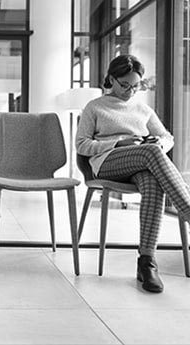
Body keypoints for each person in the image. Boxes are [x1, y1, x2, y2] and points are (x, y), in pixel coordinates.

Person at [76, 54, 190, 293]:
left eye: (135, 86)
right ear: (111, 79)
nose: (129, 91)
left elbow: (168, 138)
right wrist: (118, 143)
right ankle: (188, 209)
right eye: (124, 85)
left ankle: (146, 262)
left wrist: (158, 143)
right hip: (107, 162)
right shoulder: (95, 107)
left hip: (142, 162)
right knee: (150, 154)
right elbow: (82, 145)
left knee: (153, 182)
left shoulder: (143, 109)